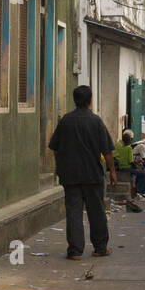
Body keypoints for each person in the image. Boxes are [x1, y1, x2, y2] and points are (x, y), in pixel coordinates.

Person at [48, 85, 117, 259]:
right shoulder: (96, 121)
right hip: (92, 174)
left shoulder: (65, 121)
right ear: (90, 100)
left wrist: (61, 163)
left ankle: (75, 250)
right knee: (96, 211)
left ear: (75, 100)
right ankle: (100, 247)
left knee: (73, 211)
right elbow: (107, 150)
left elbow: (54, 147)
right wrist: (112, 171)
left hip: (70, 174)